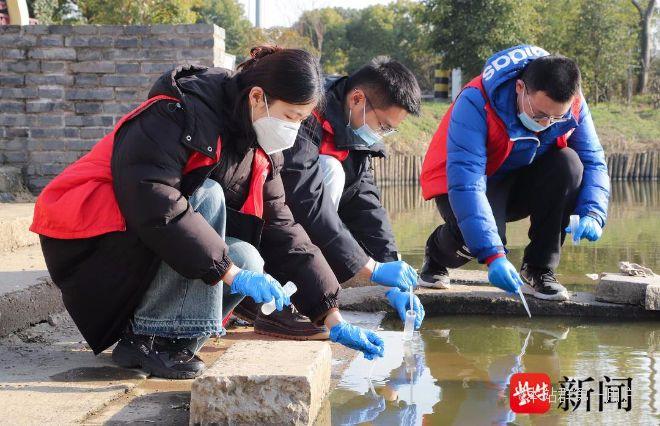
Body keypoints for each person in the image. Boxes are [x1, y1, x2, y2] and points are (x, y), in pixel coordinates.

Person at [30, 46, 384, 379]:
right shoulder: (179, 111)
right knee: (209, 196)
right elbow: (154, 201)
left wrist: (332, 316)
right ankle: (150, 338)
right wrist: (228, 273)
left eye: (301, 120)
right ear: (257, 97)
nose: (292, 130)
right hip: (91, 239)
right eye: (291, 117)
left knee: (247, 257)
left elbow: (285, 230)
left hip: (140, 242)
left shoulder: (259, 147)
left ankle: (174, 340)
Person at [248, 57, 424, 340]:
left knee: (338, 176)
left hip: (286, 221)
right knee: (330, 170)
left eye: (390, 130)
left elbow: (365, 203)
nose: (382, 134)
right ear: (357, 99)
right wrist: (372, 269)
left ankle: (302, 295)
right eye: (383, 125)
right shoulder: (307, 111)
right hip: (260, 214)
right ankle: (281, 302)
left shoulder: (355, 131)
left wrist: (394, 280)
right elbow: (305, 200)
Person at [419, 45, 610, 300]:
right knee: (475, 238)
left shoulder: (573, 104)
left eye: (556, 118)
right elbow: (467, 183)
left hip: (520, 177)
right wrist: (494, 254)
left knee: (569, 164)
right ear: (520, 88)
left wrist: (594, 212)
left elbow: (593, 160)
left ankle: (538, 270)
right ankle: (435, 257)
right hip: (468, 180)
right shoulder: (475, 101)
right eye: (540, 115)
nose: (546, 124)